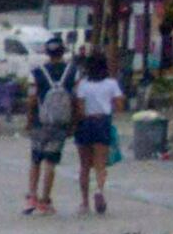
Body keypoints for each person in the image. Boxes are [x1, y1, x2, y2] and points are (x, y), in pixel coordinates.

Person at [22, 41, 76, 212]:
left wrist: (29, 120)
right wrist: (73, 123)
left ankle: (32, 196)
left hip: (40, 122)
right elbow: (76, 99)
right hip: (60, 123)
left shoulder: (37, 72)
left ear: (47, 53)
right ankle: (45, 199)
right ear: (63, 52)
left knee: (35, 160)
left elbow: (31, 99)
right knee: (51, 162)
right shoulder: (72, 72)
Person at [71, 50, 124, 214]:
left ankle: (84, 203)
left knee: (84, 166)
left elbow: (79, 109)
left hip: (86, 123)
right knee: (100, 164)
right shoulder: (111, 83)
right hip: (103, 122)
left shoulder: (82, 84)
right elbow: (120, 106)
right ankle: (99, 191)